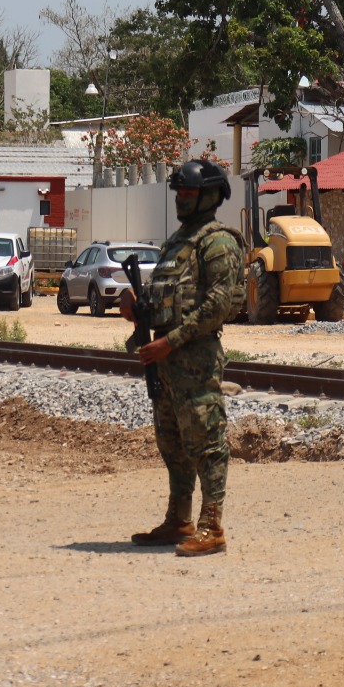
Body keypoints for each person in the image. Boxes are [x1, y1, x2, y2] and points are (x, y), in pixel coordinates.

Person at [121, 158, 245, 558]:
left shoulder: (219, 242)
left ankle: (212, 526)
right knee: (172, 442)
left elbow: (218, 305)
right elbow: (166, 300)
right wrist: (135, 309)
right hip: (166, 360)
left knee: (206, 442)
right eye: (178, 192)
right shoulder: (176, 243)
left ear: (209, 196)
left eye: (188, 192)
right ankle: (179, 519)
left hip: (193, 357)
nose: (181, 199)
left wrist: (170, 343)